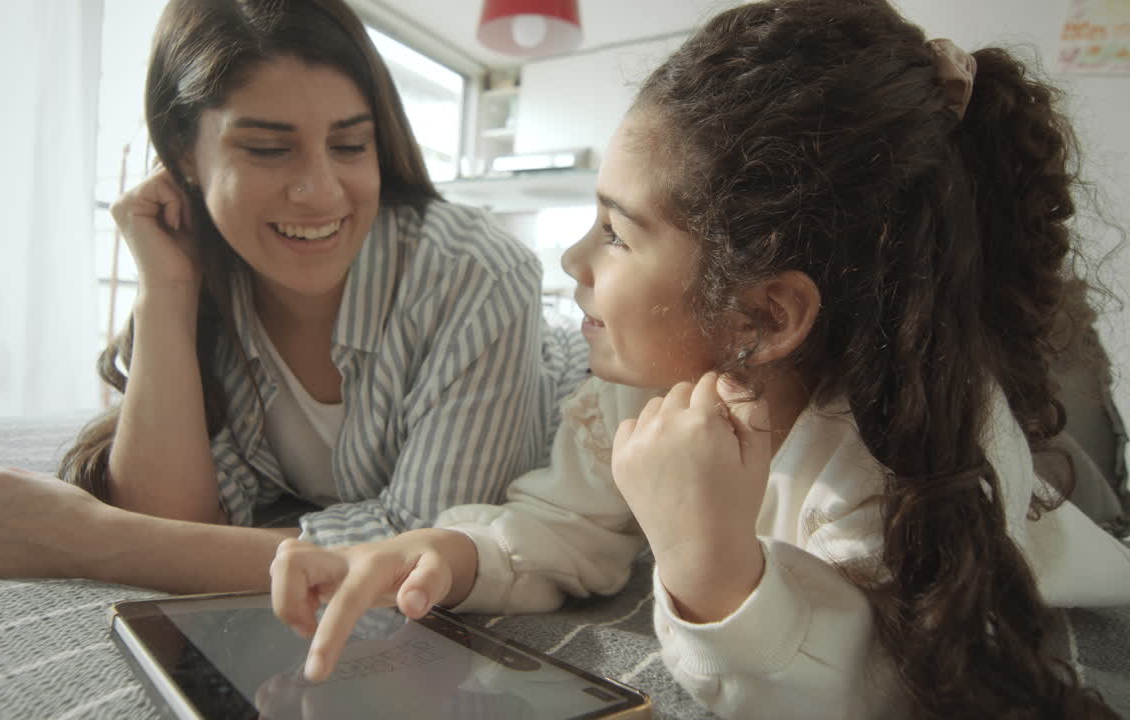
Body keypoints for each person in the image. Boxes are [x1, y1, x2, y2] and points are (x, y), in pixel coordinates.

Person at [266, 1, 1130, 717]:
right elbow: (568, 527)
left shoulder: (904, 448)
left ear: (764, 313)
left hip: (1034, 521)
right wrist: (448, 553)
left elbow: (890, 677)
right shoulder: (636, 388)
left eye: (615, 232)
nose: (572, 259)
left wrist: (710, 567)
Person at [0, 0, 587, 594]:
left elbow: (420, 557)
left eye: (351, 145)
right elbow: (170, 520)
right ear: (184, 151)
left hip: (576, 399)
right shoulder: (214, 271)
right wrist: (166, 291)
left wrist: (87, 538)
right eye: (269, 149)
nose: (320, 192)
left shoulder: (478, 274)